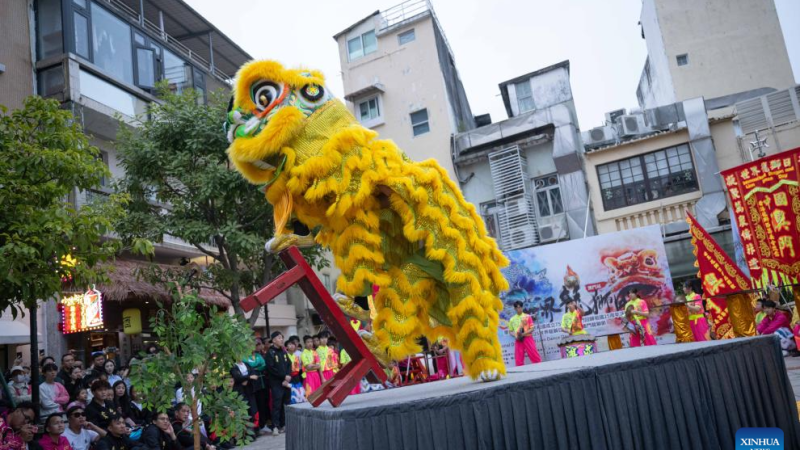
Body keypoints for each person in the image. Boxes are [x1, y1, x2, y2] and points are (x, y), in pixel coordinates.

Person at [264, 332, 291, 436]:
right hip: (276, 383)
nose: (281, 340)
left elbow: (289, 364)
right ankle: (275, 426)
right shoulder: (270, 353)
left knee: (286, 404)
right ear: (274, 340)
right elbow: (271, 369)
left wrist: (288, 376)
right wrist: (283, 377)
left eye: (282, 338)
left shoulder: (283, 352)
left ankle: (284, 424)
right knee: (277, 405)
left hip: (286, 382)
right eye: (279, 338)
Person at [244, 340, 269, 434]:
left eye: (257, 345)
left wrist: (255, 368)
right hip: (251, 385)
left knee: (262, 405)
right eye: (254, 345)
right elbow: (248, 366)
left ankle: (263, 424)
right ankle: (255, 427)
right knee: (254, 406)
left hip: (261, 382)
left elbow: (264, 365)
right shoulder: (244, 356)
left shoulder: (259, 356)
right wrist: (256, 367)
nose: (256, 347)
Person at [508, 301, 542, 366]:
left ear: (522, 307)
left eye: (520, 307)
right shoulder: (512, 319)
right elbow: (510, 331)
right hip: (518, 339)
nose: (519, 309)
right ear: (515, 309)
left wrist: (523, 334)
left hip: (528, 337)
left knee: (533, 353)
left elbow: (532, 328)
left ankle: (540, 368)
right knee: (518, 357)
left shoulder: (527, 316)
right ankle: (520, 374)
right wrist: (515, 335)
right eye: (517, 308)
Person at [230, 361, 256, 435]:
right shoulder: (233, 366)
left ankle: (253, 430)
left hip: (249, 389)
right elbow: (237, 377)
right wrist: (249, 377)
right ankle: (245, 433)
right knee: (244, 410)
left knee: (252, 409)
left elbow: (253, 373)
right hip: (239, 390)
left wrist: (247, 379)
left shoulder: (246, 363)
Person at [285, 338, 305, 404]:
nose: (292, 346)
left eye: (293, 344)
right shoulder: (285, 356)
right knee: (291, 395)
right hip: (289, 377)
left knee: (299, 393)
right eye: (290, 344)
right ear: (286, 347)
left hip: (296, 376)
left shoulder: (296, 356)